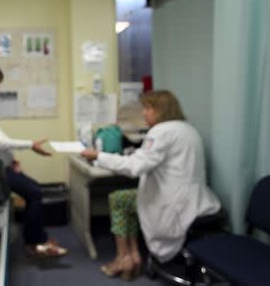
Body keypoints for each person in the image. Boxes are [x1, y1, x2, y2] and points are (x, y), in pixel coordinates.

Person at [81, 90, 220, 279]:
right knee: (121, 199)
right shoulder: (187, 129)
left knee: (118, 199)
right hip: (191, 198)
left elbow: (135, 167)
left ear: (161, 110)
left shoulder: (161, 131)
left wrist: (98, 156)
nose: (144, 113)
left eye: (148, 108)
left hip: (172, 203)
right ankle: (133, 256)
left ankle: (125, 258)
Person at [0, 59, 67, 257]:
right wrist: (30, 145)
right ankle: (36, 243)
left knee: (34, 189)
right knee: (34, 192)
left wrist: (10, 159)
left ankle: (37, 238)